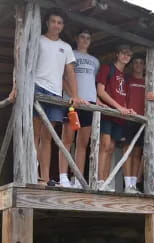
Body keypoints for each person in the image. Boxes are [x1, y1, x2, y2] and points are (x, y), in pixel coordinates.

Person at [34, 8, 84, 184]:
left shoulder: (66, 47)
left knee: (48, 137)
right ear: (47, 22)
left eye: (60, 23)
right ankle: (31, 173)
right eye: (54, 21)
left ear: (63, 26)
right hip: (37, 87)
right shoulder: (37, 40)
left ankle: (44, 178)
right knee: (34, 134)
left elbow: (70, 72)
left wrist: (75, 95)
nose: (56, 25)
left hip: (55, 93)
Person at [59, 28, 99, 188]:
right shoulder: (70, 53)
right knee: (67, 140)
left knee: (82, 144)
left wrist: (96, 101)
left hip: (89, 104)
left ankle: (78, 179)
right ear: (77, 38)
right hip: (72, 103)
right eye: (82, 37)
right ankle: (63, 177)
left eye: (88, 38)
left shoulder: (95, 61)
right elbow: (63, 78)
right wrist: (72, 96)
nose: (85, 40)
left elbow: (91, 83)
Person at [96, 44, 135, 191]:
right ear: (117, 54)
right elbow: (101, 91)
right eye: (123, 53)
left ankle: (105, 182)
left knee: (111, 148)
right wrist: (117, 107)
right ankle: (99, 181)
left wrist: (126, 108)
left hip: (119, 115)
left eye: (128, 55)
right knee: (104, 145)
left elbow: (123, 97)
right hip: (108, 112)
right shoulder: (107, 68)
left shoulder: (125, 76)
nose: (126, 56)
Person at [121, 55, 148, 193]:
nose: (138, 65)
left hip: (142, 121)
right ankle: (127, 185)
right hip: (129, 119)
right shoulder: (127, 80)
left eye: (141, 62)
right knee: (127, 152)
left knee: (137, 153)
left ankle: (133, 184)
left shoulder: (148, 82)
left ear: (144, 66)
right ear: (132, 65)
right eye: (136, 62)